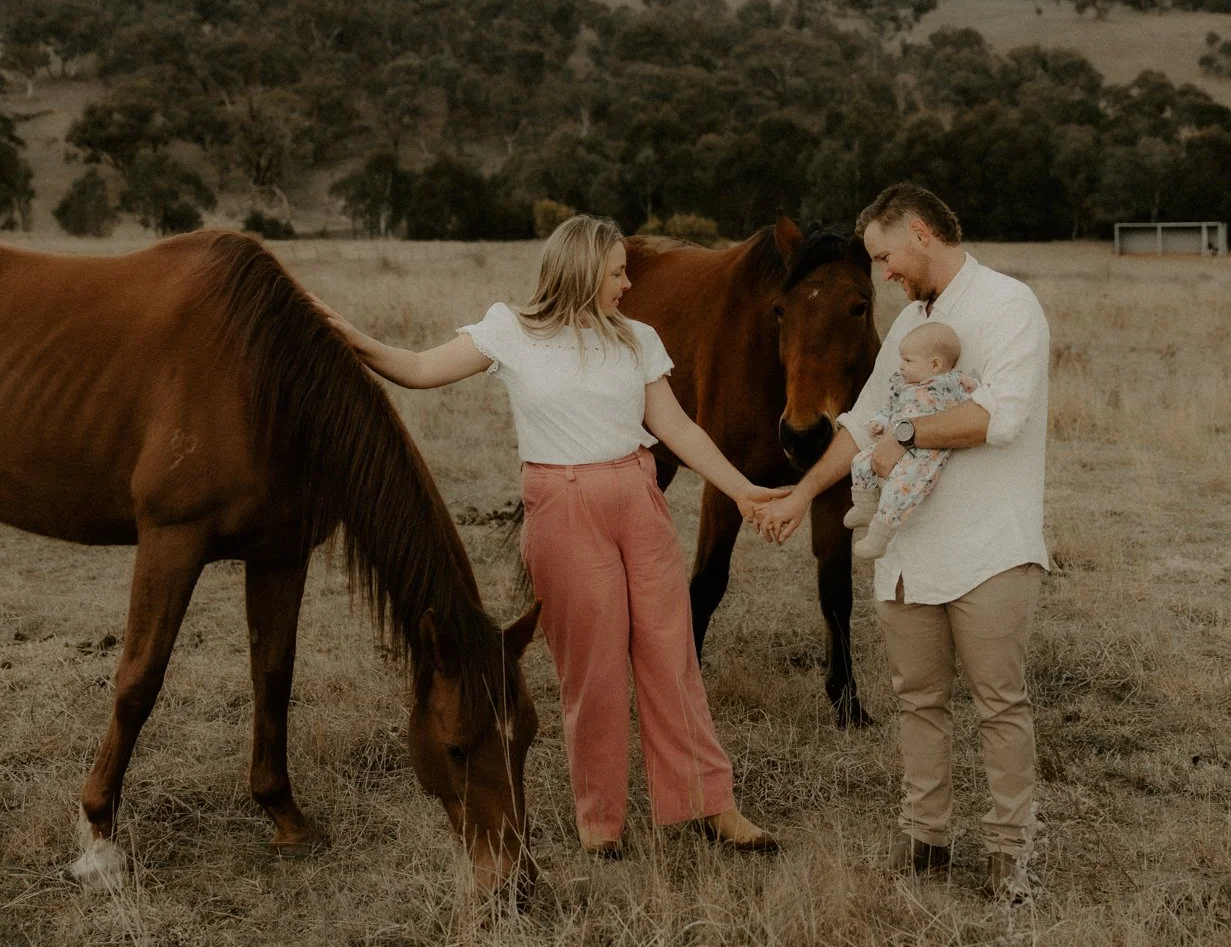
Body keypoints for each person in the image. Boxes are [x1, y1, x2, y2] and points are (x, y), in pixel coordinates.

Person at [314, 215, 783, 859]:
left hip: (638, 500)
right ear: (584, 270)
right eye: (618, 271)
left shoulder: (638, 338)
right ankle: (601, 821)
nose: (627, 281)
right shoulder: (512, 331)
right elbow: (419, 369)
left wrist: (743, 489)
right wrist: (349, 336)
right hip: (562, 506)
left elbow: (678, 430)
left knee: (671, 655)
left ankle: (710, 804)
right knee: (589, 669)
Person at [758, 184, 1050, 900]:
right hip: (907, 552)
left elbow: (999, 416)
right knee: (917, 698)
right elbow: (861, 421)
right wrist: (801, 492)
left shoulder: (1009, 306)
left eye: (885, 256)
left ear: (920, 232)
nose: (883, 272)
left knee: (998, 702)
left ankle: (1012, 855)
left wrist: (909, 433)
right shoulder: (911, 324)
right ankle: (927, 840)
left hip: (989, 548)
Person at [845, 321, 975, 562]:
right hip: (894, 440)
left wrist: (973, 385)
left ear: (934, 364)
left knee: (899, 488)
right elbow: (889, 408)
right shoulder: (901, 385)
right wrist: (879, 422)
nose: (901, 366)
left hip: (926, 452)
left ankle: (879, 535)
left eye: (908, 361)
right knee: (861, 461)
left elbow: (973, 404)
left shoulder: (949, 383)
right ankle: (864, 504)